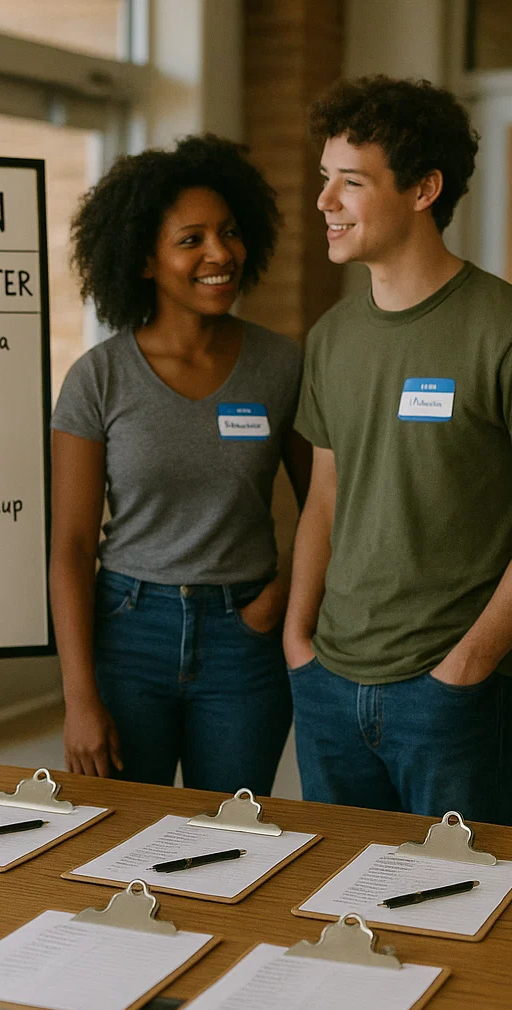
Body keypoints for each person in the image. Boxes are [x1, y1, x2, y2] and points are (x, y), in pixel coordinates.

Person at [282, 77, 512, 825]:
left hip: (450, 689)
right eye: (326, 179)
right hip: (328, 681)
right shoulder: (331, 338)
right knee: (342, 910)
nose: (325, 202)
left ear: (424, 189)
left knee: (459, 916)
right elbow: (325, 497)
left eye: (350, 183)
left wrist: (470, 665)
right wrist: (298, 638)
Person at [50, 134, 311, 794]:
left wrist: (277, 601)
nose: (219, 253)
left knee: (228, 841)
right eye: (191, 239)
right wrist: (80, 698)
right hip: (129, 632)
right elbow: (73, 546)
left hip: (244, 641)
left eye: (227, 233)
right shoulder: (99, 378)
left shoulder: (281, 365)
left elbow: (328, 505)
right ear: (143, 259)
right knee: (119, 832)